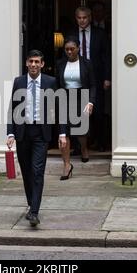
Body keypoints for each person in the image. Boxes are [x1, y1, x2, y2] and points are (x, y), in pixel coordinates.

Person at [7, 50, 67, 227]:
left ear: (42, 64)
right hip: (23, 133)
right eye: (31, 61)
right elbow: (12, 109)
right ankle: (31, 204)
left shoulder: (50, 82)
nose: (33, 65)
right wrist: (10, 133)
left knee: (37, 171)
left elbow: (60, 108)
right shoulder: (19, 81)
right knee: (27, 172)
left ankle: (34, 212)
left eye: (37, 62)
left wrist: (62, 133)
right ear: (26, 63)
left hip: (41, 134)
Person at [56, 37, 96, 180]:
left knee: (81, 129)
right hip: (65, 97)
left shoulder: (86, 63)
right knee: (63, 131)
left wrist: (91, 102)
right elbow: (57, 83)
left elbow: (92, 84)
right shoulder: (60, 63)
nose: (69, 52)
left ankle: (83, 148)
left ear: (78, 48)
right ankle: (67, 165)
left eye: (72, 49)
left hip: (82, 96)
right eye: (66, 49)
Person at [72, 7, 111, 152]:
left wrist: (107, 78)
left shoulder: (100, 34)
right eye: (79, 18)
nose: (82, 20)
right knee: (76, 111)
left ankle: (100, 143)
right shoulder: (70, 33)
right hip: (76, 75)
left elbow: (106, 57)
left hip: (96, 76)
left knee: (98, 111)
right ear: (76, 18)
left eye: (85, 17)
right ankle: (78, 146)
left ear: (90, 17)